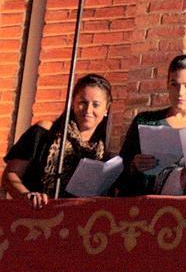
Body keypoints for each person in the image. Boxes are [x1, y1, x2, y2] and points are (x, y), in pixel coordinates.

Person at [2, 74, 113, 209]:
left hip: (77, 222)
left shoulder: (103, 155)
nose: (88, 110)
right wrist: (27, 195)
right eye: (83, 102)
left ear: (106, 109)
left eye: (96, 104)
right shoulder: (45, 132)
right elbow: (9, 176)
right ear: (73, 103)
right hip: (35, 216)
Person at [118, 55, 186, 195]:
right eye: (174, 84)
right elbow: (118, 173)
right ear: (167, 84)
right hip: (143, 210)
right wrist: (133, 165)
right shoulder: (145, 122)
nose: (180, 93)